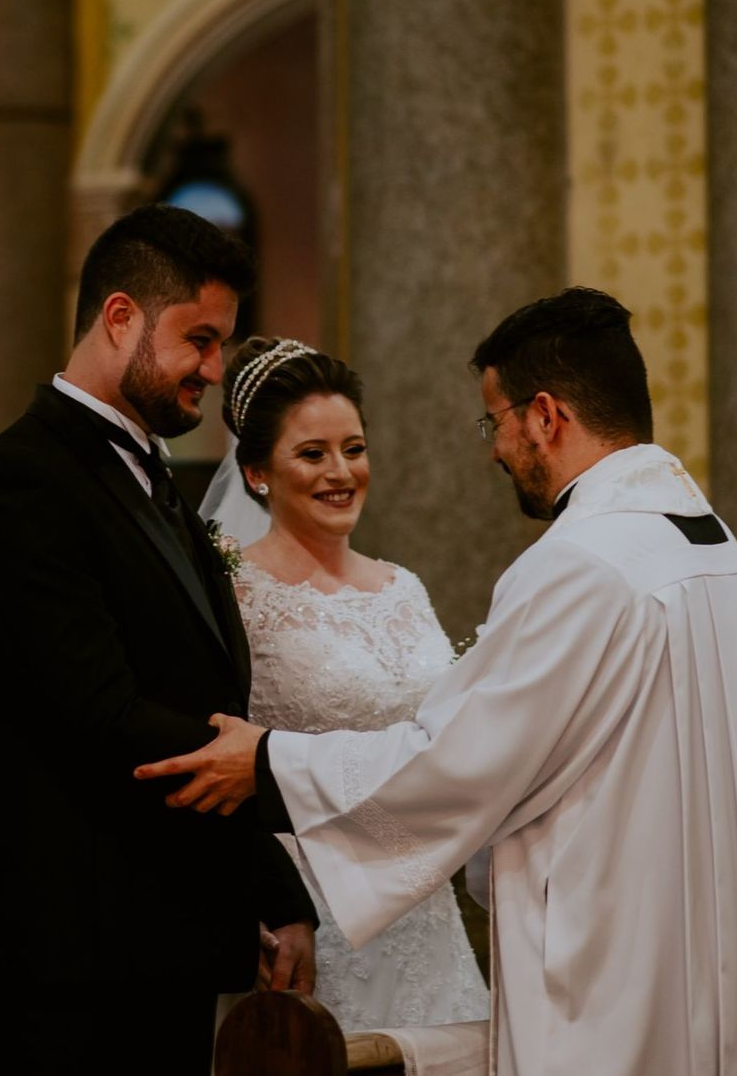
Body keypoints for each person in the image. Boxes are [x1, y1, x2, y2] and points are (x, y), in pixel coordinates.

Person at [137, 288, 737, 1075]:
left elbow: (458, 760)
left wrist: (268, 761)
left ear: (545, 416)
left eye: (494, 421)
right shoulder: (710, 547)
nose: (495, 450)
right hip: (710, 948)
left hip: (615, 965)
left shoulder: (579, 564)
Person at [0, 204, 317, 1074]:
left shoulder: (153, 478)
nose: (214, 369)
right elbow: (100, 715)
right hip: (68, 961)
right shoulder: (17, 485)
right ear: (120, 318)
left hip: (162, 944)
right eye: (199, 340)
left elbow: (202, 693)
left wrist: (270, 890)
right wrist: (282, 775)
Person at [198, 337, 488, 1032]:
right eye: (312, 453)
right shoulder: (233, 592)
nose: (341, 472)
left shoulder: (403, 586)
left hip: (422, 907)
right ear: (257, 473)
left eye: (353, 449)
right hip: (307, 912)